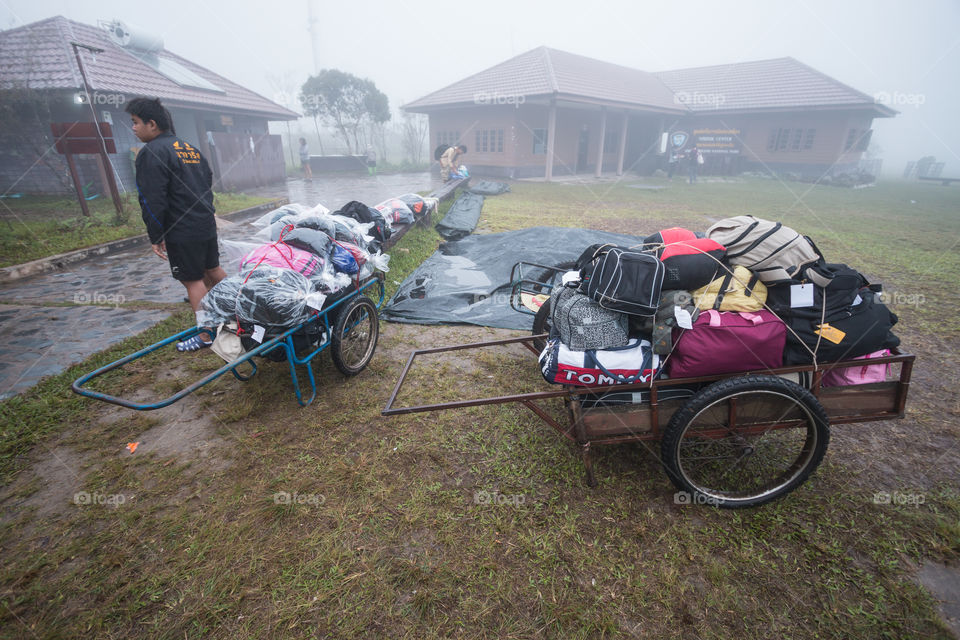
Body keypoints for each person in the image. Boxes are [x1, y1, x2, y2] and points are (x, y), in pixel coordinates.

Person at [125, 97, 226, 352]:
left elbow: (152, 199)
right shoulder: (190, 149)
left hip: (182, 229)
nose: (133, 128)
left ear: (152, 124)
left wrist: (156, 234)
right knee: (212, 270)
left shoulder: (151, 153)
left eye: (136, 123)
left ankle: (206, 335)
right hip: (204, 223)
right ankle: (240, 313)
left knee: (193, 281)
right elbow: (207, 184)